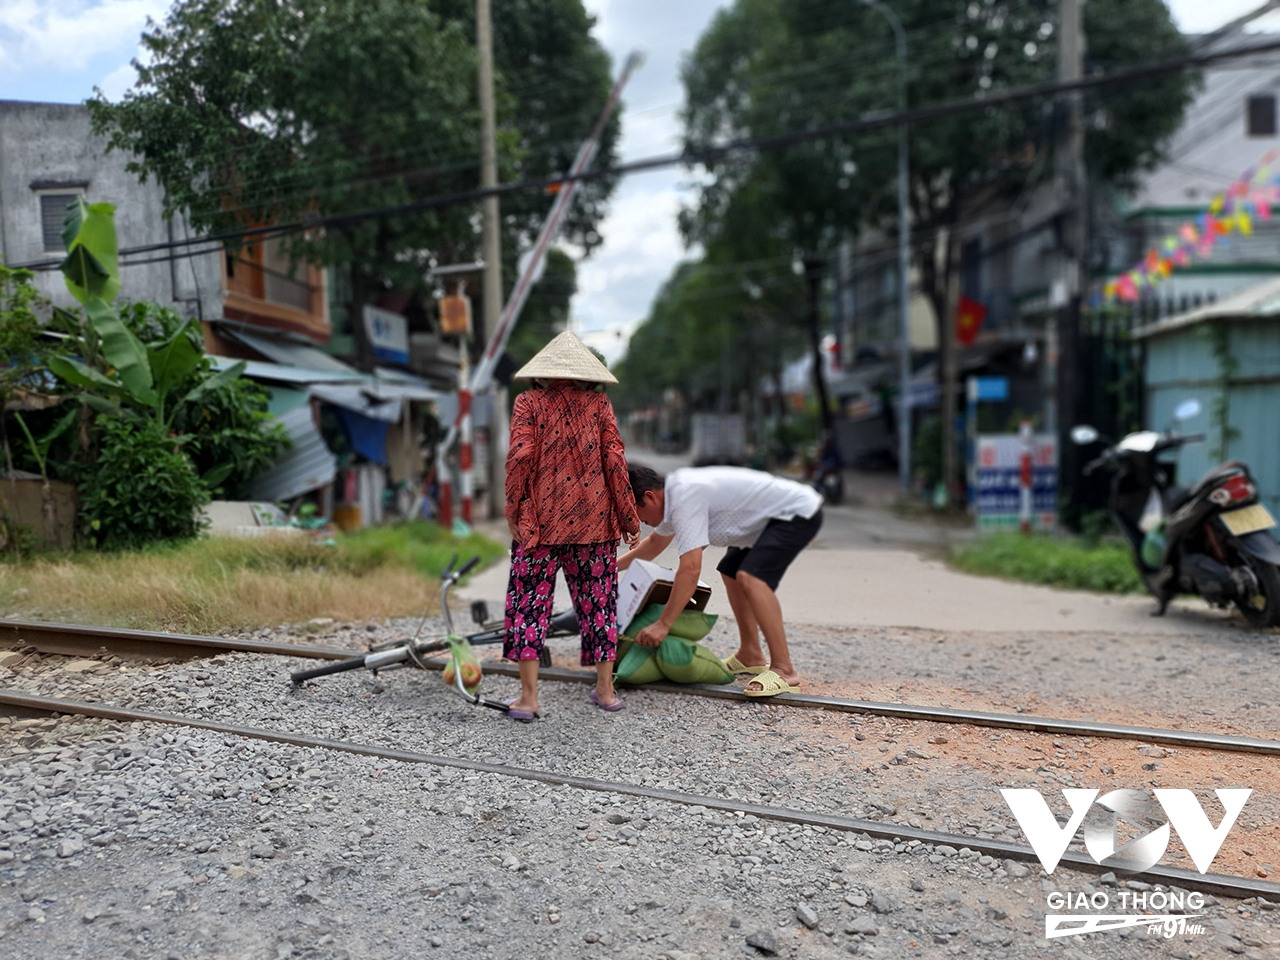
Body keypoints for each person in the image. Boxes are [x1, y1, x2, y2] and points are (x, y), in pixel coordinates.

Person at [502, 331, 641, 720]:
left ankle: (529, 699)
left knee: (529, 606)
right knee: (599, 605)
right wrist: (628, 516)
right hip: (594, 526)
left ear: (542, 372)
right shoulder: (600, 404)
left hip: (538, 527)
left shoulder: (527, 402)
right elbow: (615, 462)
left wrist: (513, 509)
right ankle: (606, 689)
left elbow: (520, 456)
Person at [618, 463, 822, 697]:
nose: (634, 521)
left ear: (649, 497)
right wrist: (611, 568)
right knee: (731, 571)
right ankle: (751, 654)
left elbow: (690, 570)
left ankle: (784, 670)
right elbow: (653, 545)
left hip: (795, 514)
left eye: (633, 512)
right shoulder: (675, 496)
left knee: (751, 577)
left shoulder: (684, 498)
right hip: (766, 520)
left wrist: (663, 624)